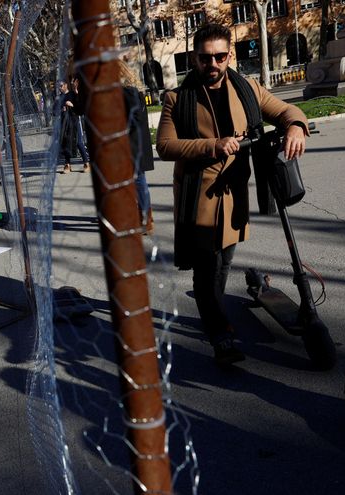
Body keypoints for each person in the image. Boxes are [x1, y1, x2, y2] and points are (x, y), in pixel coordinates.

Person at [156, 23, 309, 366]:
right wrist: (214, 145)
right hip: (200, 196)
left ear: (230, 56)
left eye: (220, 56)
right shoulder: (176, 99)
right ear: (194, 58)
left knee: (223, 262)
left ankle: (214, 309)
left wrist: (297, 126)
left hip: (235, 194)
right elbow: (165, 146)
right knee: (207, 267)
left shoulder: (248, 88)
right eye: (205, 57)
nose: (213, 63)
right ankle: (220, 335)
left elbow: (286, 111)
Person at [119, 58, 155, 235]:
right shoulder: (131, 91)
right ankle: (143, 217)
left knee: (139, 182)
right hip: (135, 144)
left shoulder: (127, 92)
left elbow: (134, 119)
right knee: (137, 182)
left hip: (133, 145)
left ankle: (145, 219)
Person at [59, 79, 91, 174]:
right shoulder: (59, 97)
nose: (59, 88)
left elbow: (80, 109)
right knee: (66, 143)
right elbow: (54, 111)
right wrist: (61, 109)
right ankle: (67, 164)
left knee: (79, 142)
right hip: (65, 124)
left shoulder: (73, 94)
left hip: (75, 121)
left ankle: (86, 163)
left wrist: (72, 105)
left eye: (61, 86)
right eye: (58, 86)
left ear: (65, 85)